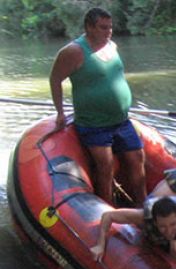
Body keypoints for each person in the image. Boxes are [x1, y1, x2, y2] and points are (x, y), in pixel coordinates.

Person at [49, 7, 145, 204]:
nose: (108, 32)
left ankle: (145, 205)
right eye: (103, 28)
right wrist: (60, 112)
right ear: (89, 27)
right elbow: (55, 79)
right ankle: (108, 210)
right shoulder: (73, 51)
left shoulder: (112, 46)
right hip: (94, 124)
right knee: (105, 167)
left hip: (121, 120)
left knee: (137, 158)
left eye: (110, 27)